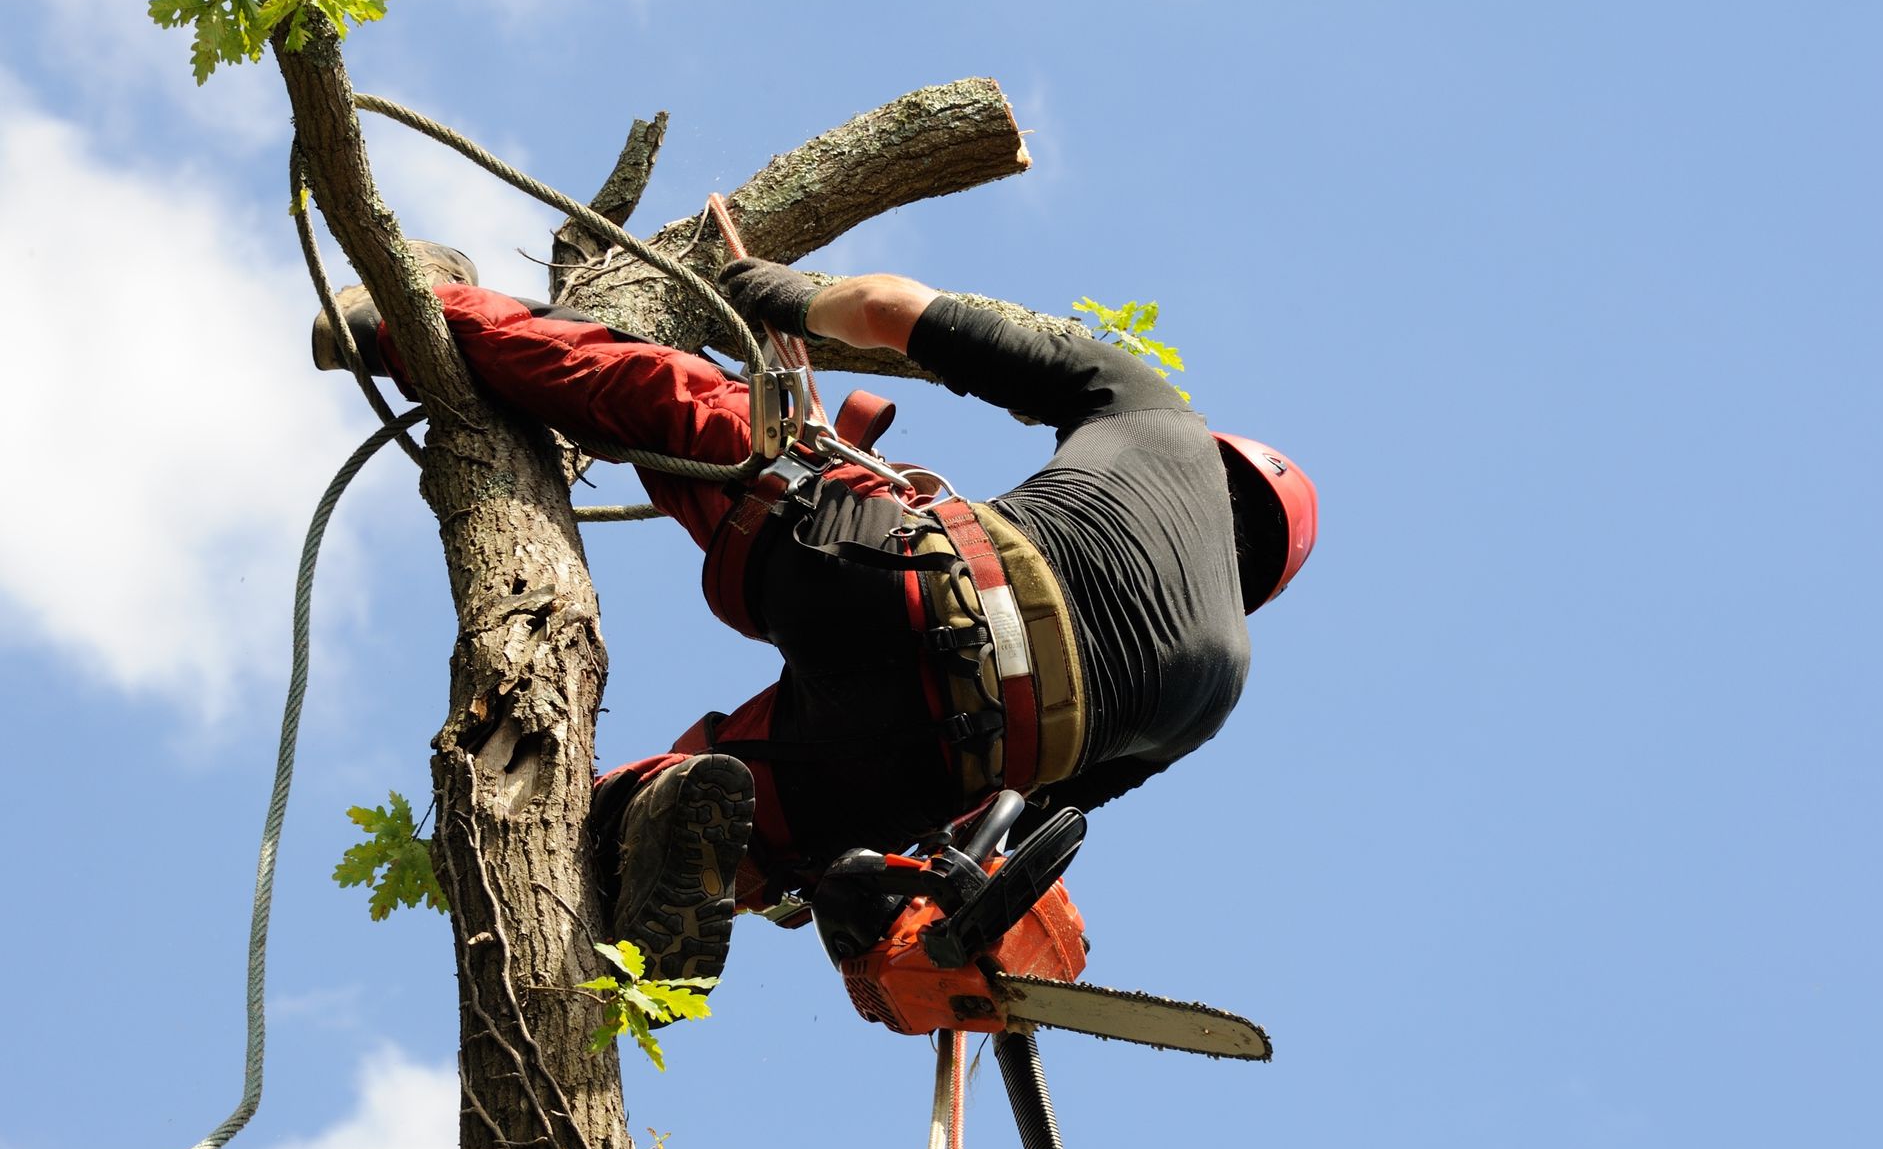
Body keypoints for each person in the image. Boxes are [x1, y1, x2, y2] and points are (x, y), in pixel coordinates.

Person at [314, 242, 1317, 988]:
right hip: (934, 755)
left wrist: (773, 295)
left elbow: (888, 307)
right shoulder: (1218, 685)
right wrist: (898, 895)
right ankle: (640, 833)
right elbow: (1015, 817)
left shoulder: (1155, 413)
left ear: (1220, 459)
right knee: (753, 814)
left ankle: (415, 316)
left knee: (692, 406)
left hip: (899, 580)